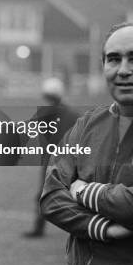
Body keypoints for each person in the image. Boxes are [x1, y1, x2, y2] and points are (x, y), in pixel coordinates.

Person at [41, 22, 133, 265]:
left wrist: (83, 190)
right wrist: (103, 227)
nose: (123, 70)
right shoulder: (87, 124)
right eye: (114, 59)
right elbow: (52, 198)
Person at [23, 77, 79, 238]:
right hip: (67, 161)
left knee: (46, 195)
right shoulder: (72, 114)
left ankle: (39, 229)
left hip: (56, 162)